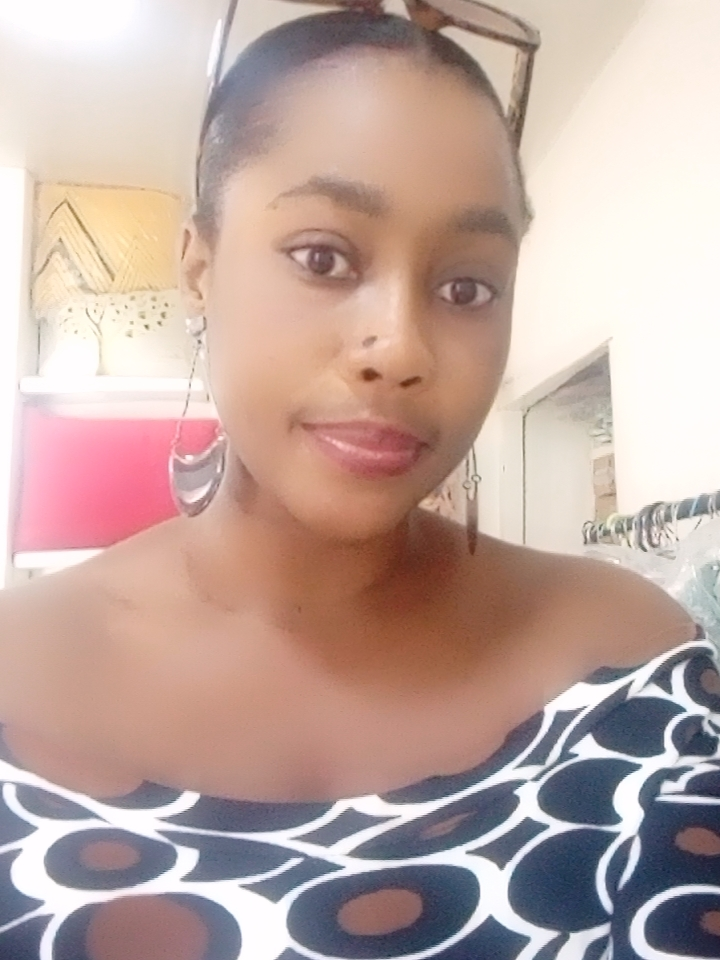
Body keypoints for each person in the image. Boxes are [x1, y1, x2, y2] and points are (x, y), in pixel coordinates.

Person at [0, 9, 718, 960]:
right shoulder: (17, 672)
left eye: (467, 287)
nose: (402, 347)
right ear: (199, 269)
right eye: (324, 258)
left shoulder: (629, 666)